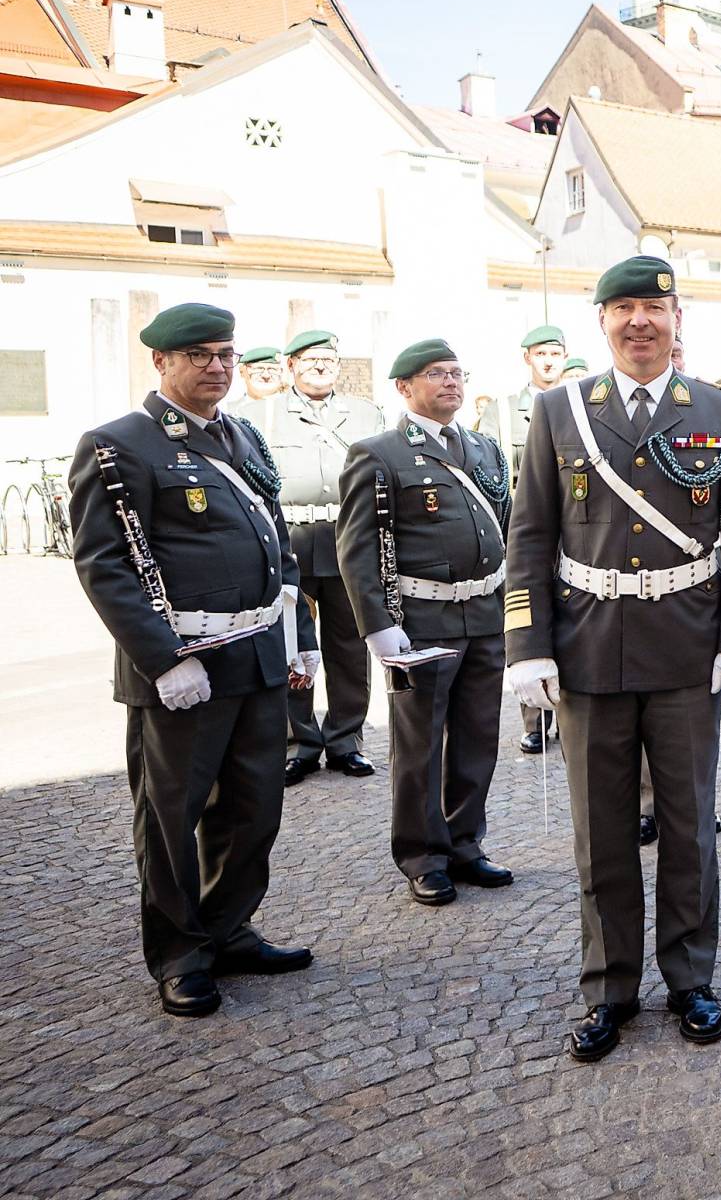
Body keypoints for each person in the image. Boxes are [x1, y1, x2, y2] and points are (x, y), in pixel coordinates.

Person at [503, 256, 721, 1061]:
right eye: (623, 309)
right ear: (603, 322)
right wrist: (527, 647)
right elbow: (530, 539)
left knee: (689, 829)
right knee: (601, 832)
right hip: (588, 653)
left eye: (653, 307)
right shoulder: (559, 411)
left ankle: (691, 979)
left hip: (687, 652)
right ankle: (609, 987)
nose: (640, 322)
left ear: (676, 316)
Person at [68, 302, 319, 1018]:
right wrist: (162, 658)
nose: (217, 367)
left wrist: (297, 635)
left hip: (257, 657)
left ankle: (229, 927)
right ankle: (180, 953)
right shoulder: (120, 445)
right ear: (161, 362)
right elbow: (105, 564)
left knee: (253, 808)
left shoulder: (240, 436)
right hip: (184, 667)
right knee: (171, 817)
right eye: (200, 356)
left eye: (225, 355)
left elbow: (277, 540)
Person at [337, 338, 515, 906]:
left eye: (457, 373)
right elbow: (358, 548)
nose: (451, 383)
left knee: (477, 736)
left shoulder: (484, 449)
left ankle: (465, 842)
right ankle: (423, 855)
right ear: (404, 387)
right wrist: (379, 627)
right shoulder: (378, 453)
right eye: (437, 374)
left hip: (484, 614)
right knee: (419, 746)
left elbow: (508, 528)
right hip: (422, 620)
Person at [241, 330, 385, 785]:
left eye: (328, 359)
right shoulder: (258, 416)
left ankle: (345, 739)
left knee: (348, 646)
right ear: (290, 367)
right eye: (309, 360)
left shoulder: (365, 413)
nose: (320, 367)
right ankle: (299, 741)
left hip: (348, 541)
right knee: (292, 644)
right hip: (289, 543)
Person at [477, 324, 570, 755]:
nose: (549, 360)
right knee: (527, 616)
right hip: (523, 527)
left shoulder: (577, 405)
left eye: (555, 352)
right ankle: (533, 718)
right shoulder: (500, 412)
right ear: (526, 358)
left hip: (571, 531)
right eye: (541, 353)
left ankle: (567, 709)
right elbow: (491, 476)